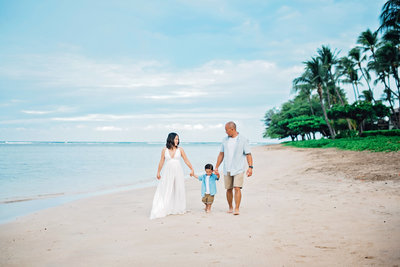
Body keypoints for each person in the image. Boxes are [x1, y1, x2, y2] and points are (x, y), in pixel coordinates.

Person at [150, 132, 194, 219]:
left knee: (178, 188)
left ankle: (177, 207)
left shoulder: (180, 150)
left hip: (178, 171)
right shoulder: (164, 150)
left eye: (178, 139)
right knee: (167, 188)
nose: (177, 140)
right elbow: (161, 161)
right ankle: (167, 207)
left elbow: (186, 160)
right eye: (176, 139)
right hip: (167, 172)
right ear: (171, 139)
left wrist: (191, 169)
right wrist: (158, 172)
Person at [215, 121, 253, 215]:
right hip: (227, 168)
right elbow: (221, 154)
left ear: (232, 129)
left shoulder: (243, 140)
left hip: (238, 168)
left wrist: (250, 167)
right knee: (228, 188)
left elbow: (248, 154)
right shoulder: (225, 140)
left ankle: (237, 208)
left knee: (237, 188)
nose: (225, 132)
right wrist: (216, 167)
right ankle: (230, 207)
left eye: (226, 130)